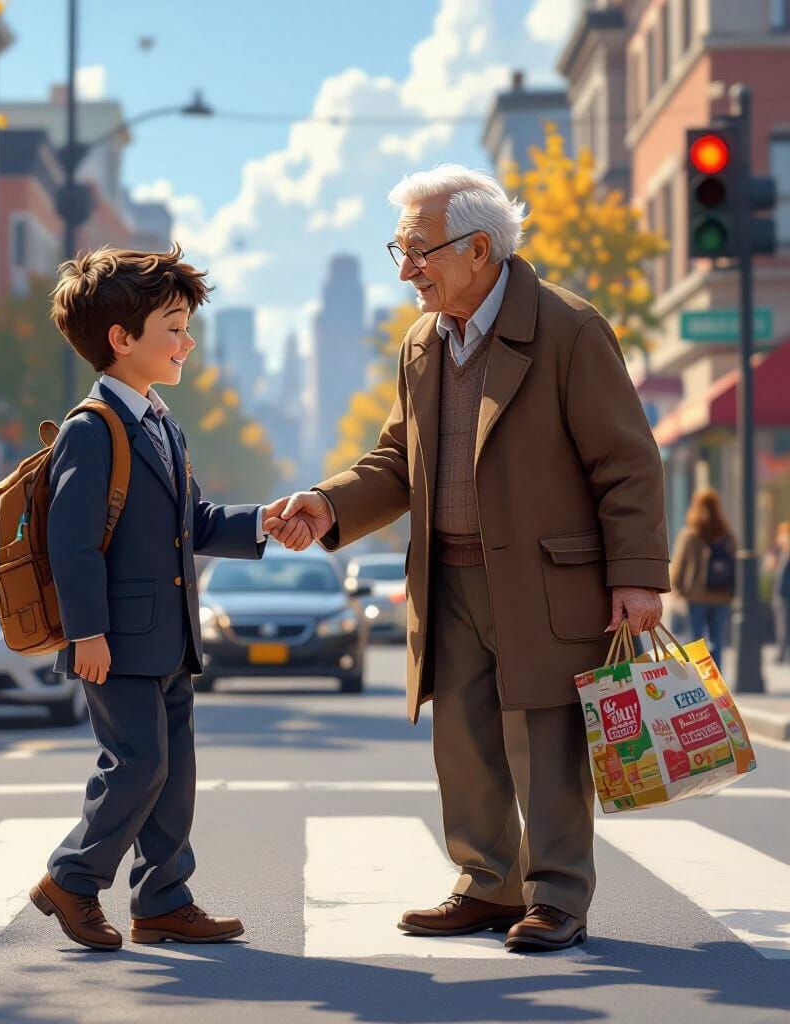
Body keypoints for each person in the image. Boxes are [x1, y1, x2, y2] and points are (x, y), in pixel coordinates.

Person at [266, 165, 667, 953]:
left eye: (418, 250)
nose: (406, 267)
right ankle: (486, 883)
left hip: (544, 578)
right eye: (399, 249)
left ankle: (556, 896)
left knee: (545, 739)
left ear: (478, 249)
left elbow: (627, 462)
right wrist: (330, 502)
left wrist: (638, 576)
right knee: (466, 737)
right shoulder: (422, 341)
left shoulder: (569, 329)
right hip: (446, 572)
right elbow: (396, 459)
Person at [28, 245, 280, 952]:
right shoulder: (92, 428)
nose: (186, 341)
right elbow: (72, 544)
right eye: (172, 327)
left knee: (174, 772)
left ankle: (164, 899)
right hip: (117, 638)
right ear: (122, 339)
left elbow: (193, 524)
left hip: (170, 636)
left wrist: (266, 519)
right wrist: (88, 634)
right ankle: (72, 879)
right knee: (137, 763)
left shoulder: (162, 424)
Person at [670, 489, 736, 672]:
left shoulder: (690, 534)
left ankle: (698, 681)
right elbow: (735, 563)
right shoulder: (726, 534)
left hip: (696, 596)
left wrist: (677, 588)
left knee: (695, 641)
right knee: (718, 641)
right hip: (722, 596)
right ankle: (717, 683)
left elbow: (679, 564)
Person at [769, 521, 790, 664]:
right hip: (780, 593)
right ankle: (781, 652)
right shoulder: (781, 550)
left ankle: (782, 653)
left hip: (785, 593)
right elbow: (770, 566)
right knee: (782, 624)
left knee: (784, 624)